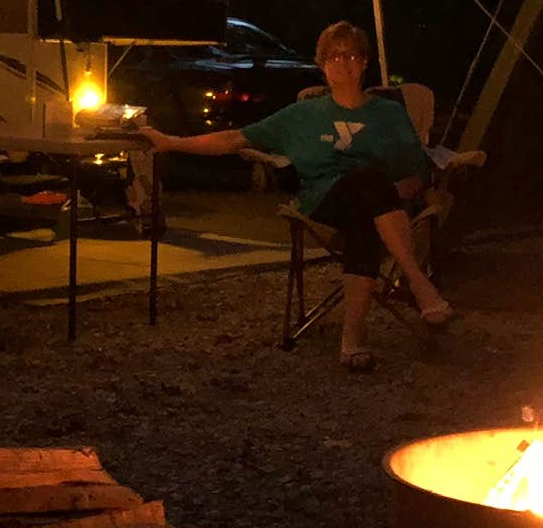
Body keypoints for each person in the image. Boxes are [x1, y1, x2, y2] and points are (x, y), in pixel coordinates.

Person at [141, 20, 453, 370]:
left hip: (380, 205)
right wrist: (173, 142)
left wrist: (393, 191)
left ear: (364, 62)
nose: (342, 62)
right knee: (365, 182)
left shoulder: (390, 115)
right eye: (333, 56)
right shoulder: (303, 115)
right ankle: (417, 281)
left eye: (350, 55)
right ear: (322, 65)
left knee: (364, 208)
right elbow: (235, 138)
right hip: (322, 201)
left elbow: (417, 173)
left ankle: (352, 340)